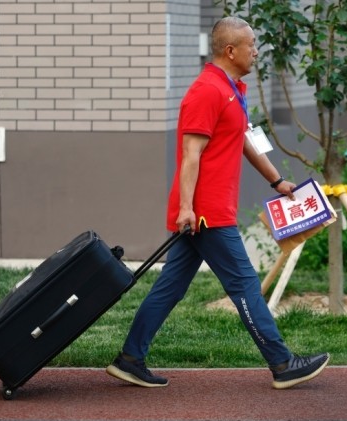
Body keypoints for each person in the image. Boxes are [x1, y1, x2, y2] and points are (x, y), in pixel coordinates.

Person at [106, 16, 329, 390]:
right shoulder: (206, 91)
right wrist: (187, 208)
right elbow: (190, 154)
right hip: (205, 214)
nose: (256, 51)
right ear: (230, 50)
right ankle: (282, 363)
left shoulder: (232, 89)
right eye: (251, 45)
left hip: (206, 210)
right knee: (244, 284)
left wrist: (276, 181)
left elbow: (244, 140)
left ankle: (129, 359)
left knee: (170, 287)